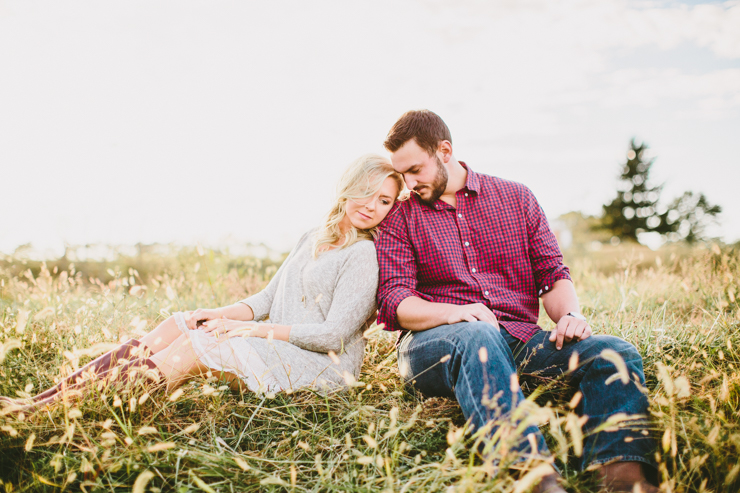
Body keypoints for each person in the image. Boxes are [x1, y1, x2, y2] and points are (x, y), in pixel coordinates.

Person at [374, 110, 658, 493]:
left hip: (520, 339)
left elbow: (552, 274)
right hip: (433, 344)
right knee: (476, 335)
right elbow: (395, 299)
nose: (408, 183)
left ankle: (622, 478)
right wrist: (456, 314)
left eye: (415, 170)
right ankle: (534, 478)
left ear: (444, 151)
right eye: (402, 173)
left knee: (614, 353)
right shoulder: (401, 216)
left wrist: (570, 315)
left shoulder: (516, 197)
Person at [2, 154, 405, 412]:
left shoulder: (364, 255)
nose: (372, 206)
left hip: (319, 369)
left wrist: (250, 331)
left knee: (201, 343)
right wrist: (219, 314)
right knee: (182, 323)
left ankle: (50, 411)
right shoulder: (313, 236)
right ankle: (42, 399)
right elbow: (266, 298)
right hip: (275, 345)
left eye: (385, 201)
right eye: (366, 194)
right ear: (347, 189)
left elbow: (333, 336)